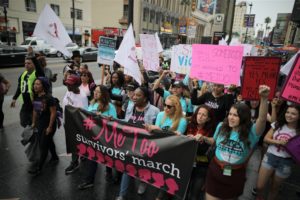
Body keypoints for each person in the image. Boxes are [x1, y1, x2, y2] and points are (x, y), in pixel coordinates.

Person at [202, 85, 270, 200]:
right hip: (216, 171)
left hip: (235, 175)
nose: (231, 118)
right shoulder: (221, 126)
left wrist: (263, 99)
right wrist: (203, 138)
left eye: (236, 115)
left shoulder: (251, 132)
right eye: (230, 114)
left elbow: (262, 120)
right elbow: (214, 141)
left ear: (243, 118)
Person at [116, 86, 160, 200]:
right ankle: (122, 194)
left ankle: (143, 182)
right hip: (130, 144)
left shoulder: (154, 111)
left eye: (138, 95)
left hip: (145, 146)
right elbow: (125, 123)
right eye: (134, 94)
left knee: (142, 168)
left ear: (145, 98)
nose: (134, 97)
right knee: (127, 168)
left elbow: (158, 131)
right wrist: (114, 120)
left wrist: (152, 128)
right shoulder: (130, 107)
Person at [145, 95, 187, 200]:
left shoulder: (182, 121)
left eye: (169, 106)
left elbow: (175, 140)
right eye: (164, 105)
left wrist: (158, 129)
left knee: (167, 178)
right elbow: (157, 134)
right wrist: (152, 128)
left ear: (176, 108)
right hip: (159, 149)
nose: (166, 108)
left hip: (172, 153)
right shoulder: (160, 115)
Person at [255, 104, 300, 200]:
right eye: (287, 112)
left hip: (286, 162)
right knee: (259, 186)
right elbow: (266, 139)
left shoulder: (298, 132)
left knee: (275, 188)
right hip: (270, 157)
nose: (289, 115)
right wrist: (278, 142)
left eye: (293, 114)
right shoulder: (277, 124)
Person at [78, 85, 117, 190]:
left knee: (107, 157)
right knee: (93, 157)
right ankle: (89, 180)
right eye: (95, 91)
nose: (95, 93)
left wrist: (107, 119)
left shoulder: (110, 106)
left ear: (103, 94)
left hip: (105, 136)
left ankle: (109, 173)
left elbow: (115, 122)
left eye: (98, 92)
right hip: (93, 136)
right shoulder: (92, 104)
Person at [29, 77, 58, 175]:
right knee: (48, 141)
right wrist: (33, 123)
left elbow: (53, 113)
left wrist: (50, 127)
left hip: (49, 124)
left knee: (43, 145)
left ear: (43, 86)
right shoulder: (36, 96)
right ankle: (55, 157)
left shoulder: (49, 98)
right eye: (35, 84)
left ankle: (39, 168)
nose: (35, 86)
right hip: (40, 124)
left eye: (38, 84)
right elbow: (35, 111)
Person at [186, 105, 216, 200]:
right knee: (183, 191)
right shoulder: (189, 125)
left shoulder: (211, 131)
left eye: (204, 115)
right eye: (199, 113)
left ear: (208, 119)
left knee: (194, 195)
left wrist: (202, 139)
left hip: (201, 166)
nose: (200, 116)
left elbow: (207, 149)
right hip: (187, 163)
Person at [63, 74, 88, 175]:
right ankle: (81, 156)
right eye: (67, 84)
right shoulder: (68, 91)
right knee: (71, 143)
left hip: (75, 125)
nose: (68, 86)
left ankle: (74, 162)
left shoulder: (82, 97)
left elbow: (83, 114)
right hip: (67, 123)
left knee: (75, 144)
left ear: (77, 85)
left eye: (70, 84)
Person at [11, 56, 45, 127]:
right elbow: (20, 87)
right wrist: (14, 98)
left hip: (36, 103)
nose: (26, 65)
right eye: (25, 63)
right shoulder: (23, 75)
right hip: (26, 104)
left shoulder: (37, 74)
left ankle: (36, 135)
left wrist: (33, 56)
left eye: (29, 63)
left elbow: (41, 72)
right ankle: (31, 133)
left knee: (36, 123)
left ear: (34, 64)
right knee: (23, 121)